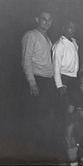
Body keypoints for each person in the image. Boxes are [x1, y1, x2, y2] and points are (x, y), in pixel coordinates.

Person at [21, 11, 57, 151]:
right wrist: (32, 82)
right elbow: (26, 60)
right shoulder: (30, 35)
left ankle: (44, 148)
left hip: (48, 81)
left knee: (48, 117)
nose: (46, 22)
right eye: (43, 19)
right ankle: (35, 151)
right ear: (37, 19)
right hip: (38, 80)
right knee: (37, 118)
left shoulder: (47, 38)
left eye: (49, 19)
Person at [52, 18, 79, 99]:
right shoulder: (59, 45)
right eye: (70, 27)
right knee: (63, 104)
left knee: (72, 104)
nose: (73, 30)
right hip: (64, 78)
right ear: (64, 28)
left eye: (74, 28)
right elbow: (56, 67)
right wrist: (59, 86)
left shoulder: (73, 42)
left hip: (73, 78)